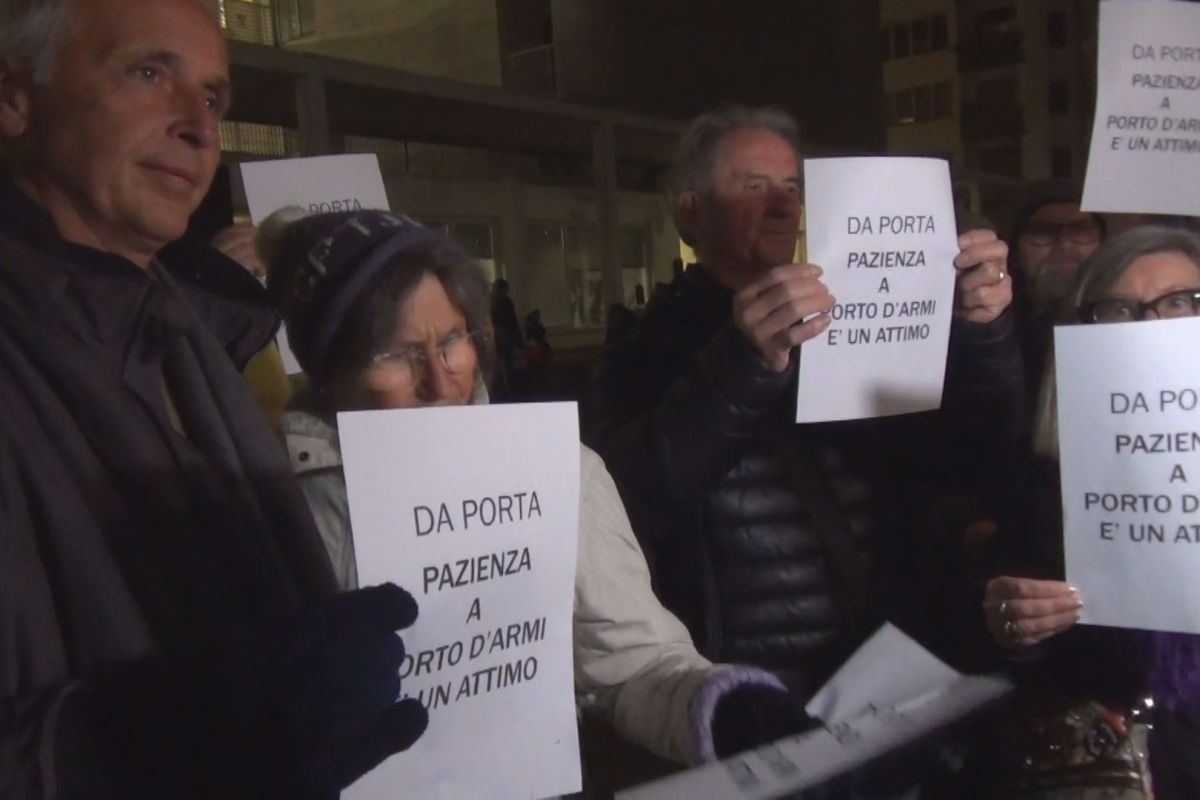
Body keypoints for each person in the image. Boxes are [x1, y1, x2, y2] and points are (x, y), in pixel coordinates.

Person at [0, 0, 425, 795]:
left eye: (212, 97)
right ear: (15, 95)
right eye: (148, 72)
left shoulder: (183, 333)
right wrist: (166, 735)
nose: (198, 127)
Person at [261, 207, 809, 770]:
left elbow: (633, 664)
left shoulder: (558, 472)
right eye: (395, 354)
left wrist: (722, 708)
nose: (439, 380)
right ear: (329, 371)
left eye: (452, 339)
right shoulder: (266, 507)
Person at [584, 104, 1022, 701]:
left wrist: (981, 335)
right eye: (753, 186)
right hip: (748, 686)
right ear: (691, 213)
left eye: (792, 189)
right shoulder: (642, 352)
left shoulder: (850, 319)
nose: (782, 206)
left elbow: (965, 457)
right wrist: (742, 366)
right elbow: (628, 507)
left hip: (888, 665)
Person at [976, 226, 1200, 799]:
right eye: (1119, 309)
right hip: (1123, 769)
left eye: (1181, 302)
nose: (1151, 326)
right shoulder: (1043, 479)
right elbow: (1016, 653)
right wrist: (1015, 626)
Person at [1008, 180, 1106, 398]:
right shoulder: (997, 332)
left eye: (1081, 230)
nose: (1065, 244)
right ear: (1014, 254)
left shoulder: (1125, 321)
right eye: (1042, 232)